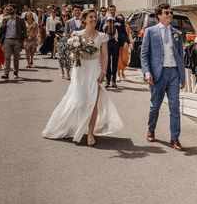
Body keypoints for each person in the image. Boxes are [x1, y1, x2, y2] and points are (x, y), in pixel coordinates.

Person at [42, 9, 123, 146]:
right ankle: (76, 126)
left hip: (94, 70)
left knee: (93, 103)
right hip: (79, 70)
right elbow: (70, 54)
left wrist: (103, 72)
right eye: (91, 17)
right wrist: (75, 54)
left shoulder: (102, 36)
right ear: (84, 19)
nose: (94, 19)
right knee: (79, 102)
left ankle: (90, 133)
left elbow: (104, 55)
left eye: (95, 17)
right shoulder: (76, 35)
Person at [141, 3, 186, 151]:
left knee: (175, 107)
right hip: (157, 74)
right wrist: (147, 73)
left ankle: (174, 139)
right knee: (155, 106)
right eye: (167, 13)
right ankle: (151, 128)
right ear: (159, 15)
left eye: (171, 13)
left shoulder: (177, 33)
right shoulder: (150, 32)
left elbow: (180, 56)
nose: (170, 15)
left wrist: (182, 76)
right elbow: (144, 55)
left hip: (173, 73)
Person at [0, 4, 27, 80]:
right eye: (7, 10)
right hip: (7, 40)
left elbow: (25, 31)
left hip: (17, 40)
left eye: (10, 9)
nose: (8, 11)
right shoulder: (5, 19)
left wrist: (21, 41)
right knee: (7, 57)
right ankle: (6, 73)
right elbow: (2, 31)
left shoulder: (20, 19)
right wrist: (1, 41)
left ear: (15, 10)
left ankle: (15, 72)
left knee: (16, 58)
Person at [56, 12, 72, 80]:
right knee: (61, 58)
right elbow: (55, 33)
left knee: (68, 59)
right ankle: (62, 70)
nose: (65, 17)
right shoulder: (58, 24)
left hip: (69, 43)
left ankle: (68, 73)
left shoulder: (70, 24)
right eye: (63, 16)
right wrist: (60, 37)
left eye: (66, 16)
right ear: (61, 16)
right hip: (61, 43)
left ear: (68, 16)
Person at [117, 14, 132, 81]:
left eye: (121, 19)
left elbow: (129, 34)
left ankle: (123, 73)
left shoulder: (126, 26)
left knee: (125, 59)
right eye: (119, 19)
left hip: (125, 44)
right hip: (117, 44)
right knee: (118, 59)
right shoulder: (116, 26)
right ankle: (118, 74)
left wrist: (131, 42)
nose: (120, 20)